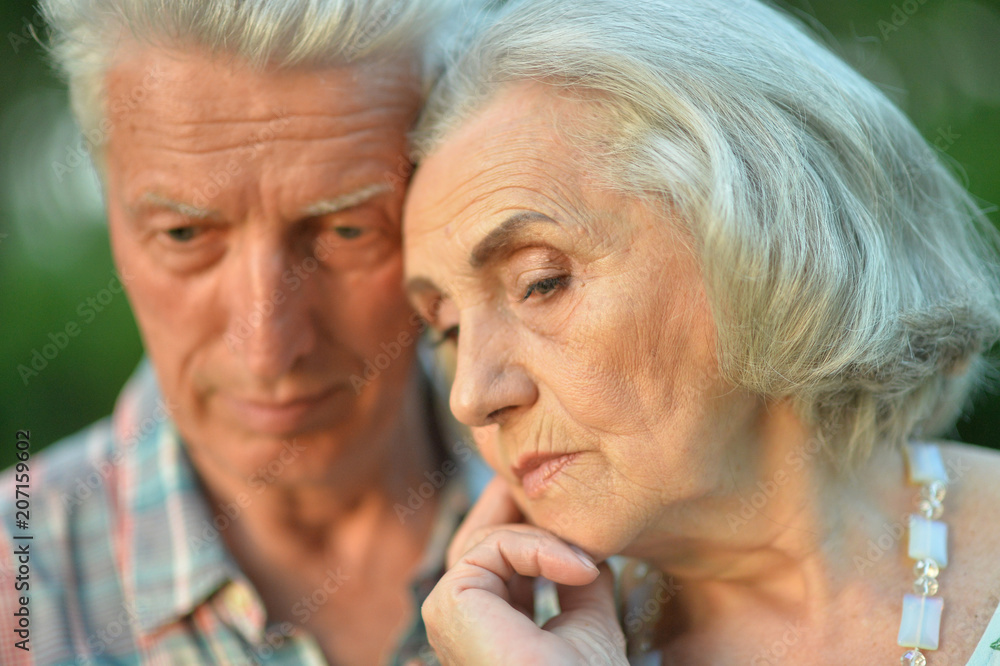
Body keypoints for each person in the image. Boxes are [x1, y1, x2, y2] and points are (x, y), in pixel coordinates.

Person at [402, 0, 1000, 663]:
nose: (472, 395)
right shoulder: (494, 647)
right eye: (448, 330)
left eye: (540, 282)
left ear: (764, 232)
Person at [0, 1, 488, 664]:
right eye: (185, 235)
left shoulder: (622, 550)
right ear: (107, 202)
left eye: (347, 229)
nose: (267, 350)